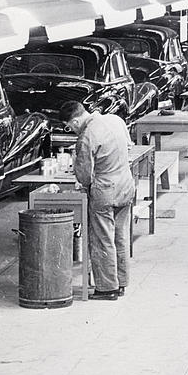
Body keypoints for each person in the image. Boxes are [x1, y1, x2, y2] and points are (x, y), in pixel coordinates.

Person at [61, 100, 135, 301]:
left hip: (105, 191)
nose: (72, 131)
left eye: (70, 127)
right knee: (120, 236)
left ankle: (106, 288)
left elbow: (84, 176)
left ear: (75, 121)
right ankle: (120, 282)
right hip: (126, 185)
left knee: (102, 239)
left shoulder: (86, 136)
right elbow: (129, 147)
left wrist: (76, 166)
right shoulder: (115, 119)